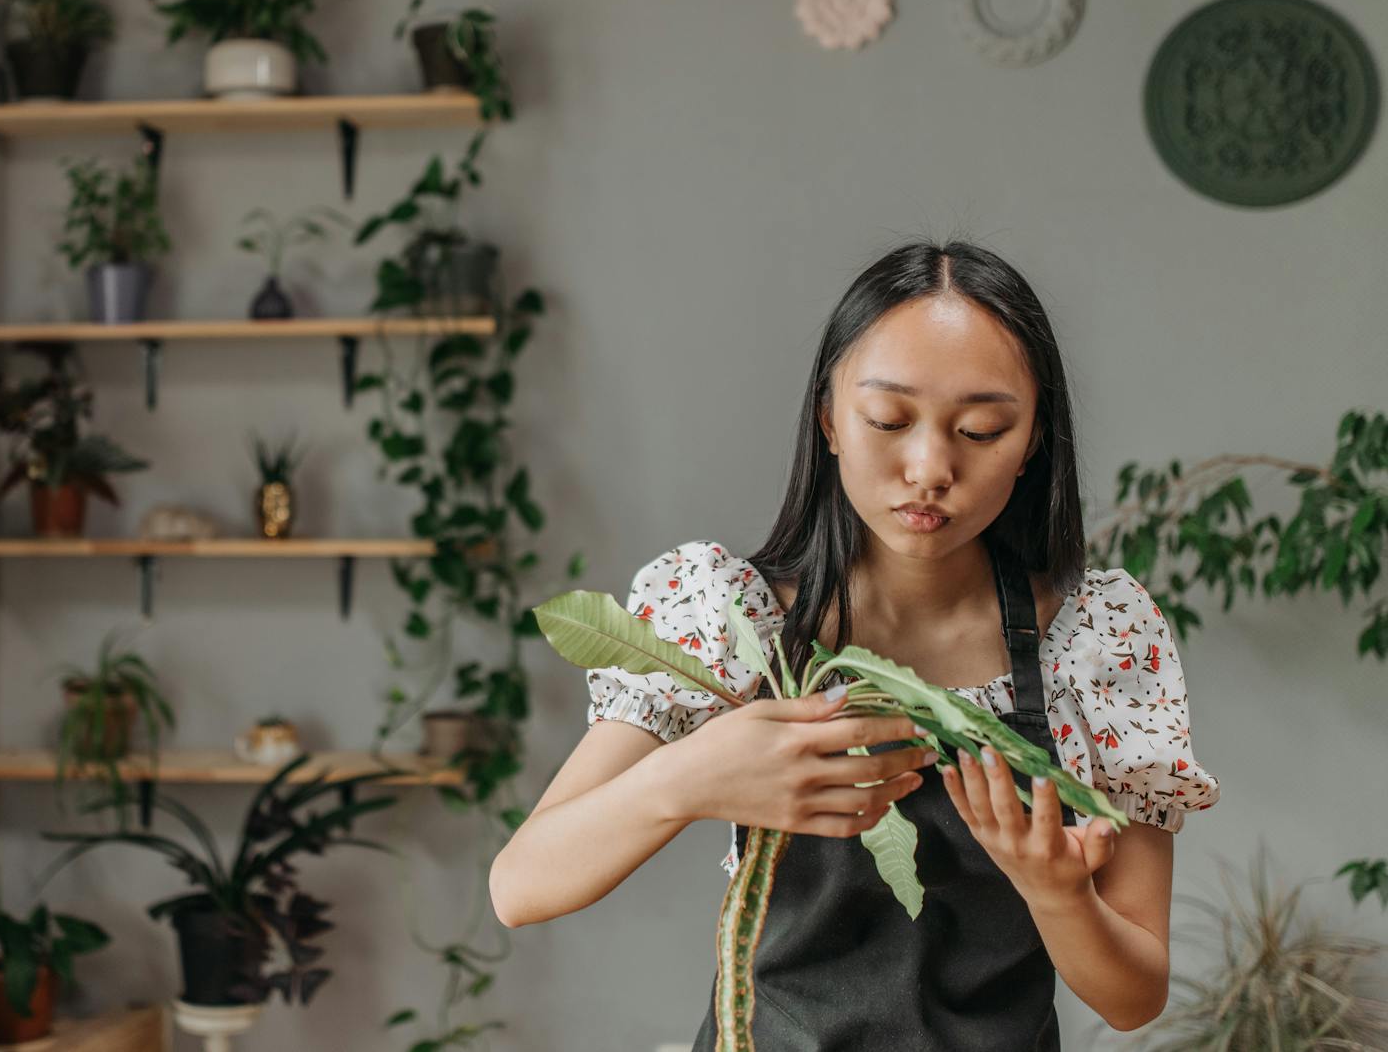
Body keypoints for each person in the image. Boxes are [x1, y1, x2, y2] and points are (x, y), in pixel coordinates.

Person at [488, 238, 1220, 1049]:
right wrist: (688, 776)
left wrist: (1058, 894)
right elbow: (521, 885)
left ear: (1034, 439)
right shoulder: (736, 624)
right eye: (889, 420)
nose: (930, 467)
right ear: (829, 418)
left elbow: (1134, 997)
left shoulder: (1094, 642)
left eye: (980, 430)